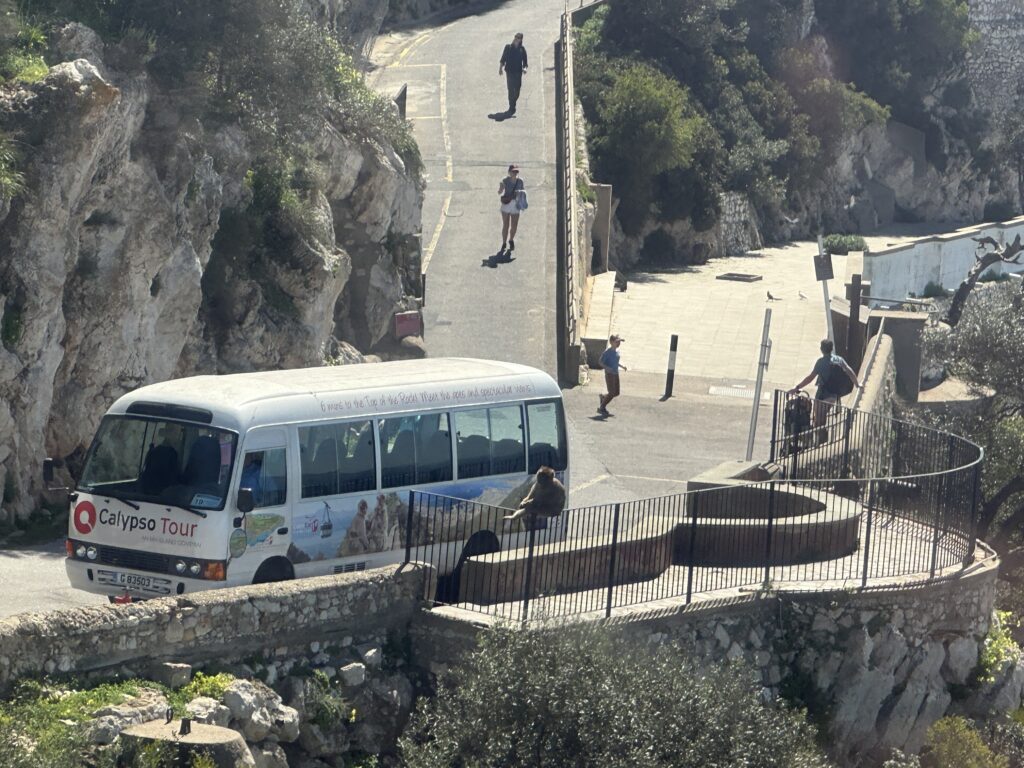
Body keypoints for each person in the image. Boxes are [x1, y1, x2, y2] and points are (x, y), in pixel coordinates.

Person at [789, 338, 862, 444]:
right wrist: (857, 384)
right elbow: (849, 370)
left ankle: (821, 443)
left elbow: (810, 378)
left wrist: (797, 388)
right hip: (834, 396)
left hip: (822, 396)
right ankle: (821, 440)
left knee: (819, 422)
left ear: (822, 349)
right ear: (831, 349)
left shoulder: (821, 362)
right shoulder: (839, 360)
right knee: (821, 419)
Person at [498, 33, 528, 115]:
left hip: (518, 73)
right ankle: (512, 107)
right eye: (515, 37)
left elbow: (525, 62)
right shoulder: (508, 47)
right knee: (511, 90)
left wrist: (525, 68)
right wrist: (500, 68)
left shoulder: (522, 49)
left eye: (518, 38)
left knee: (517, 90)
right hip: (509, 72)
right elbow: (503, 58)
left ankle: (513, 101)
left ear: (520, 40)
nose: (515, 39)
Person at [598, 334, 627, 417]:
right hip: (609, 374)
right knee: (611, 393)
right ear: (611, 342)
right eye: (617, 342)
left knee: (616, 393)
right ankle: (602, 408)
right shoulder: (607, 352)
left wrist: (622, 366)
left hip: (615, 373)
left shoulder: (617, 351)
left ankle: (603, 398)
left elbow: (616, 362)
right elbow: (600, 362)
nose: (619, 343)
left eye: (619, 342)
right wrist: (607, 368)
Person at [498, 164, 524, 253]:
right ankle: (504, 242)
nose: (515, 173)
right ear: (509, 172)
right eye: (513, 171)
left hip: (516, 205)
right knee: (506, 225)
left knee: (514, 226)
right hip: (506, 204)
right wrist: (501, 189)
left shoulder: (520, 181)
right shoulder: (505, 181)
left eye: (516, 171)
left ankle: (511, 239)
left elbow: (523, 192)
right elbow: (500, 191)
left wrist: (520, 197)